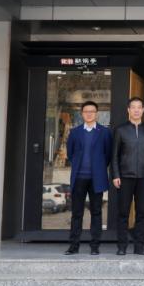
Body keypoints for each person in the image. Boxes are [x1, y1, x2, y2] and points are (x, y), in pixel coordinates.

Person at [111, 97, 144, 256]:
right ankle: (122, 246)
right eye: (133, 107)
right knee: (123, 213)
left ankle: (139, 246)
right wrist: (116, 175)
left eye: (139, 107)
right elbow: (114, 155)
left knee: (142, 213)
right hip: (125, 176)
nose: (136, 110)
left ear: (143, 110)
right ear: (128, 110)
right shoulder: (120, 130)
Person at [63, 100, 112, 256]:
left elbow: (108, 154)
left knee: (96, 212)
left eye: (92, 111)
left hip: (97, 178)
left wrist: (99, 167)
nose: (89, 114)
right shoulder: (75, 132)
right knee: (77, 213)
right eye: (86, 111)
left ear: (96, 114)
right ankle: (73, 246)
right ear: (82, 114)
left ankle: (95, 245)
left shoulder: (104, 132)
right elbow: (71, 153)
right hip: (79, 177)